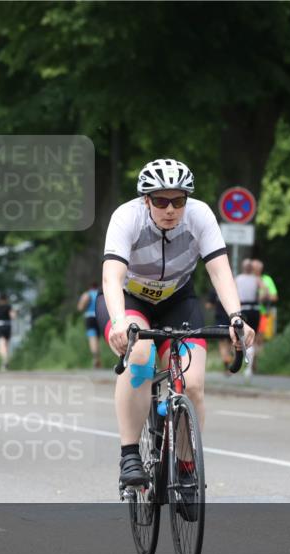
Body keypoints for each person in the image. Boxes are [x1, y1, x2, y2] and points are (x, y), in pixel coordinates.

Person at [98, 158, 254, 489]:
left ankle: (184, 467)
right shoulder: (127, 217)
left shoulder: (199, 216)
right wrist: (118, 322)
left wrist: (236, 317)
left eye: (178, 200)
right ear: (146, 200)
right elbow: (112, 277)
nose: (170, 209)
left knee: (193, 383)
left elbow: (219, 270)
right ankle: (129, 454)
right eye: (161, 201)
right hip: (130, 300)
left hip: (178, 300)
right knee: (139, 357)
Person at [77, 282, 102, 368]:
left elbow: (80, 308)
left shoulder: (87, 294)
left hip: (90, 318)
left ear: (90, 287)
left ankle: (95, 358)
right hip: (99, 317)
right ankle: (98, 358)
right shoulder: (100, 294)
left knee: (92, 338)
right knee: (97, 339)